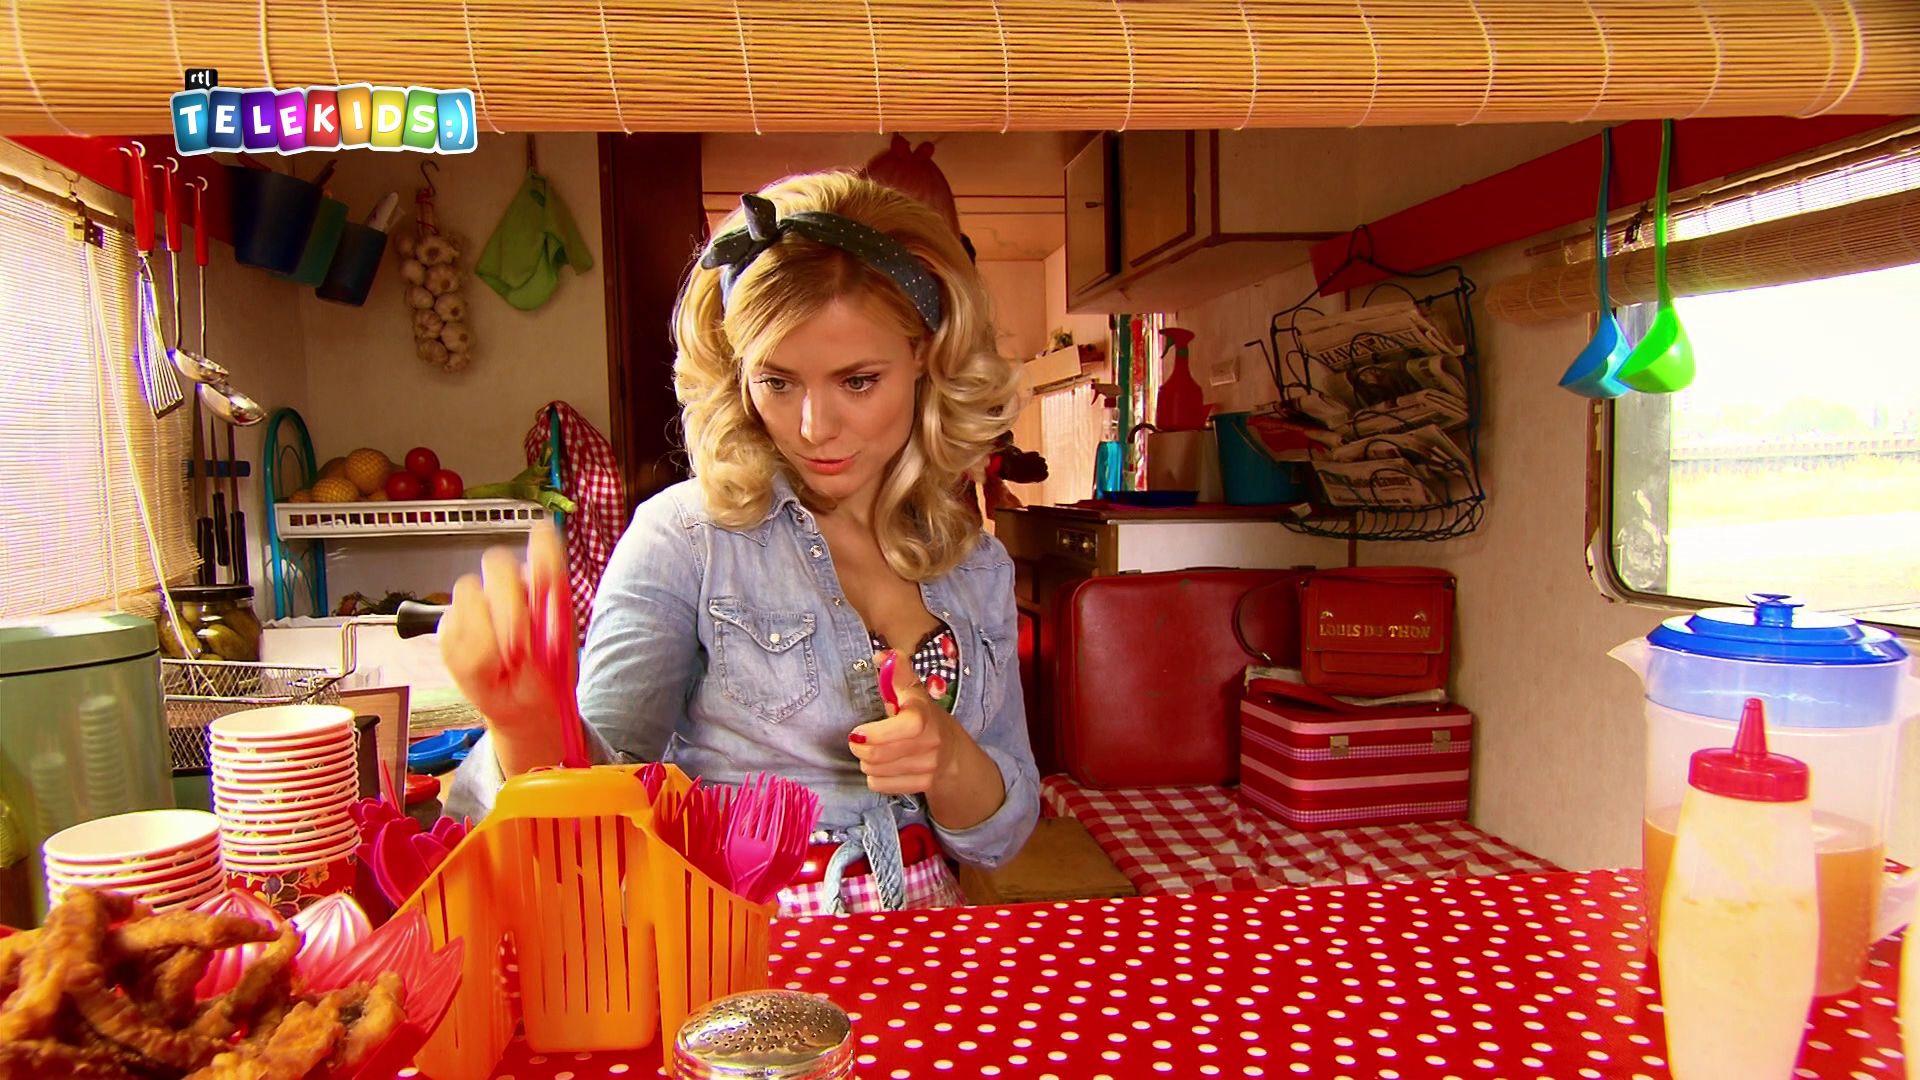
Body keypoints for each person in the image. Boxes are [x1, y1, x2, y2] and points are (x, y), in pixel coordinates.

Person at [439, 171, 1040, 917]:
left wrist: (948, 760)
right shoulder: (687, 540)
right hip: (742, 949)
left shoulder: (976, 566)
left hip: (930, 947)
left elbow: (1002, 837)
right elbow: (594, 826)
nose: (814, 427)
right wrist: (528, 722)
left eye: (857, 381)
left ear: (926, 353)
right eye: (778, 382)